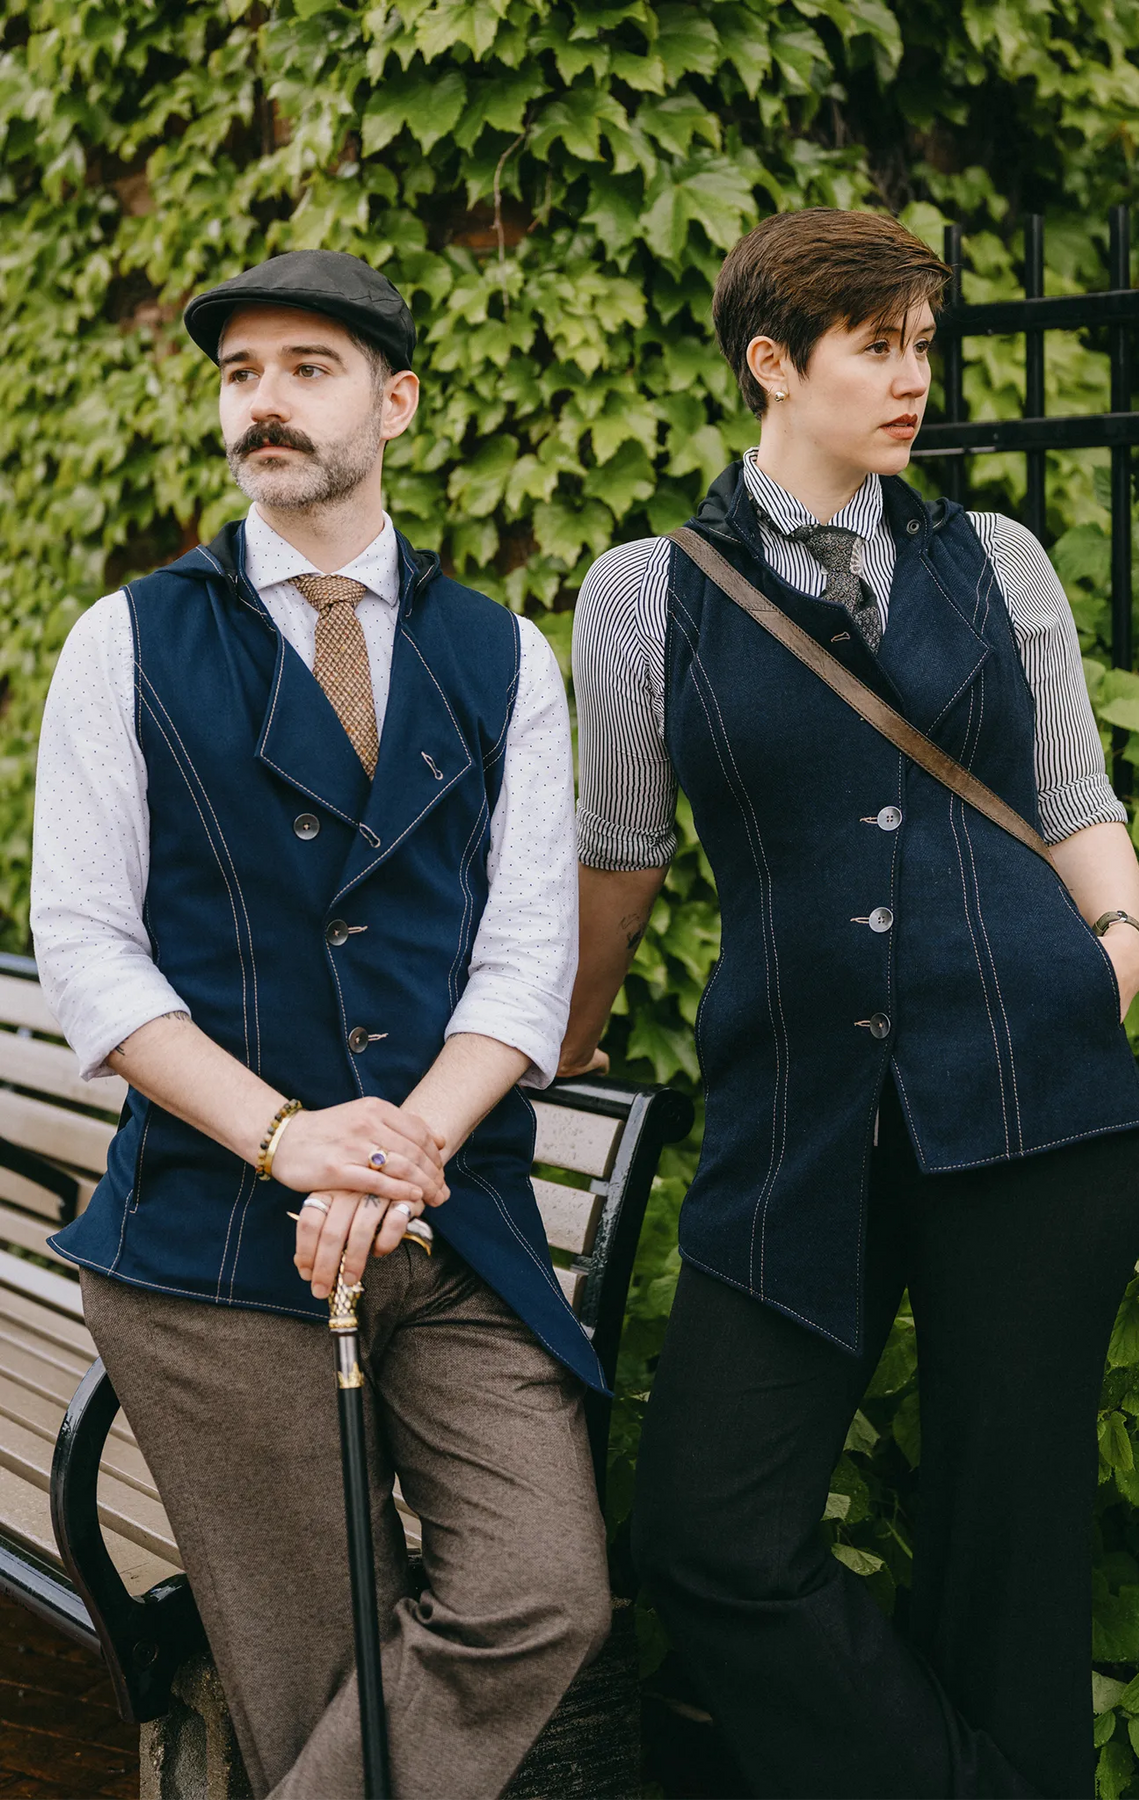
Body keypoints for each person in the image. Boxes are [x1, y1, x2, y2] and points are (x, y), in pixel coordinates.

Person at [562, 208, 1139, 1799]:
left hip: (1038, 1104)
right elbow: (618, 853)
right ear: (773, 362)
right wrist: (563, 1036)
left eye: (923, 346)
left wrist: (1117, 936)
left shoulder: (997, 560)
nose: (914, 380)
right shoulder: (646, 594)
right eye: (876, 347)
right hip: (796, 1124)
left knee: (1007, 1553)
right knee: (710, 1534)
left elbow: (1074, 794)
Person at [31, 248, 610, 1800]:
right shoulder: (124, 642)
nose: (263, 403)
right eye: (241, 375)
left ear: (396, 402)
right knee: (310, 1678)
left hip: (450, 1219)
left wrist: (396, 1152)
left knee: (544, 1591)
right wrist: (287, 1139)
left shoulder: (503, 655)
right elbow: (85, 949)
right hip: (215, 1244)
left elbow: (526, 962)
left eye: (307, 369)